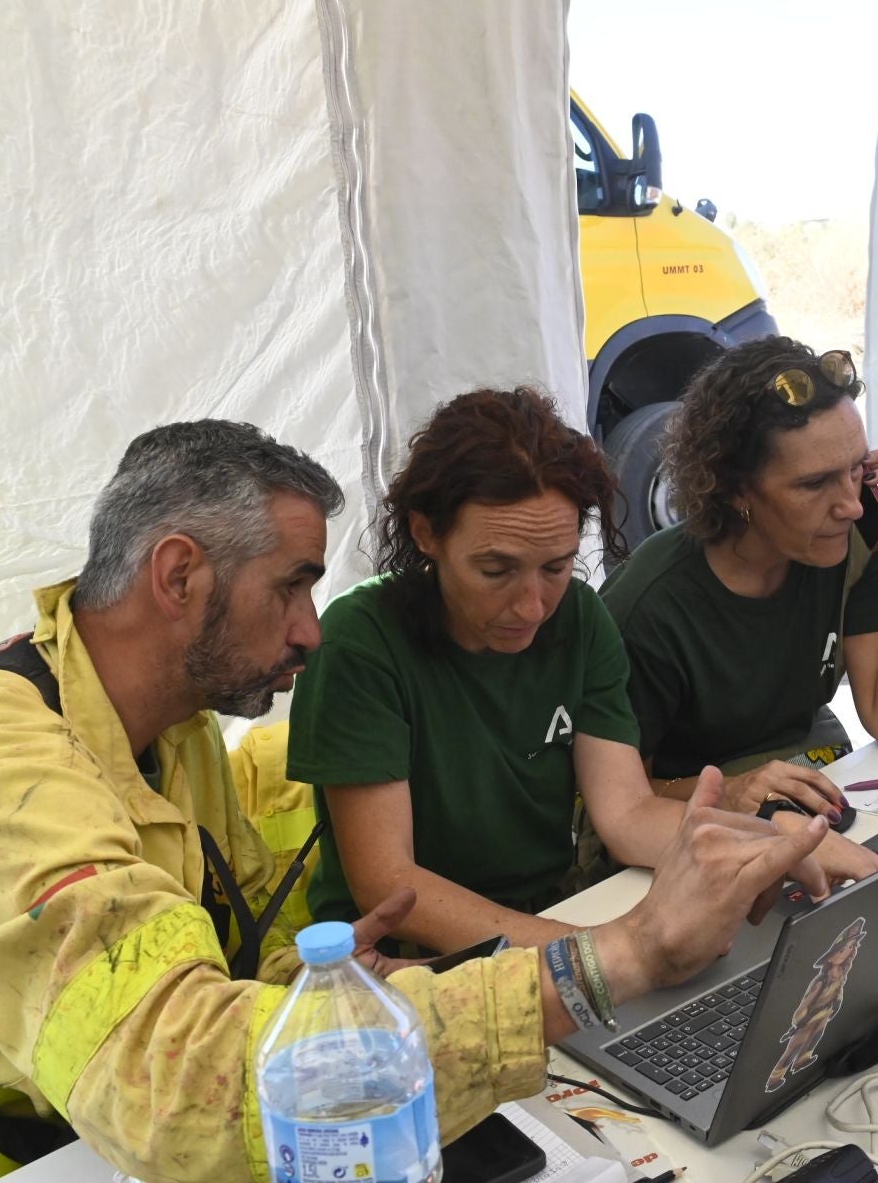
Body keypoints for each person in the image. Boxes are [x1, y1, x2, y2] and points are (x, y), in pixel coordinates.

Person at [0, 419, 831, 1183]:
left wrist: (342, 989)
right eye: (292, 584)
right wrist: (613, 960)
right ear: (179, 575)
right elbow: (187, 1094)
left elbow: (215, 963)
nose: (314, 628)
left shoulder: (166, 735)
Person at [289, 387, 846, 955]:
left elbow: (627, 814)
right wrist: (596, 955)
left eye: (555, 566)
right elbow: (390, 883)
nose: (532, 606)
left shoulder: (578, 616)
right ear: (426, 533)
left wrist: (783, 843)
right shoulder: (359, 642)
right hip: (397, 953)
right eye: (496, 570)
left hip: (551, 912)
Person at [602, 338, 878, 869]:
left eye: (856, 468)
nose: (852, 504)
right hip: (692, 840)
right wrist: (733, 791)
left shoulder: (846, 543)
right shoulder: (653, 605)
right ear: (735, 489)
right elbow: (625, 803)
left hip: (807, 796)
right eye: (814, 484)